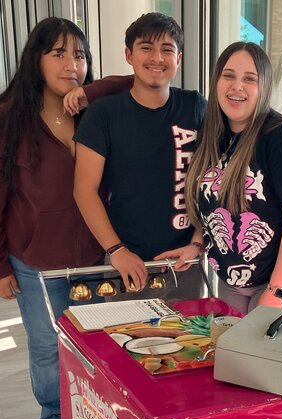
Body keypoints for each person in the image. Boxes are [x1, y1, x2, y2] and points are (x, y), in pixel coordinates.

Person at [0, 18, 131, 419]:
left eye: (78, 55)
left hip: (97, 256)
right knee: (47, 347)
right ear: (35, 60)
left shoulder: (96, 112)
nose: (70, 64)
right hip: (37, 260)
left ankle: (97, 417)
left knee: (96, 345)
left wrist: (90, 92)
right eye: (57, 53)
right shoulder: (7, 123)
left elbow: (137, 77)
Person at [168, 42, 282, 317]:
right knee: (237, 357)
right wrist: (196, 245)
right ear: (217, 80)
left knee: (277, 358)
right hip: (234, 278)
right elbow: (211, 204)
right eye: (229, 75)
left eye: (249, 79)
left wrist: (277, 290)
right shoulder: (212, 134)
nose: (237, 87)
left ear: (264, 86)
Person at [73, 13, 207, 298]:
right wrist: (117, 251)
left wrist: (196, 244)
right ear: (129, 55)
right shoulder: (103, 114)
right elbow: (84, 190)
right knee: (126, 341)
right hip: (127, 261)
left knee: (187, 341)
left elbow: (216, 181)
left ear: (178, 59)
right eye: (146, 47)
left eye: (167, 49)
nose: (157, 58)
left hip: (185, 262)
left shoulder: (195, 107)